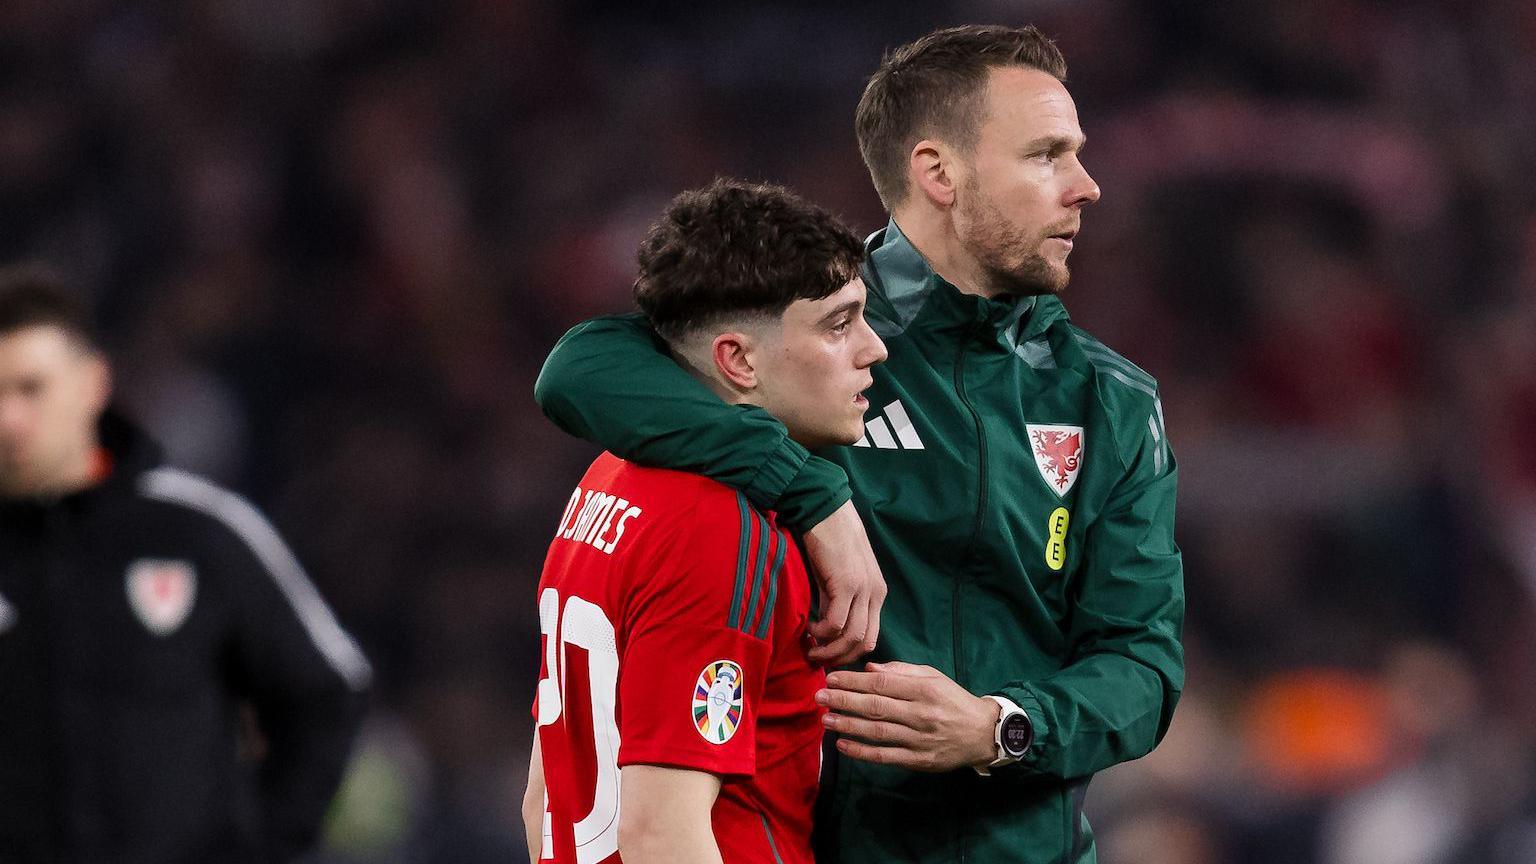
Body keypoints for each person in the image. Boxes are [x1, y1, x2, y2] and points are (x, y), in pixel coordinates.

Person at [533, 24, 1184, 864]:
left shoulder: (1110, 402)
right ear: (937, 173)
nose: (1087, 187)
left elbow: (1143, 661)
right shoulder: (812, 334)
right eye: (1047, 156)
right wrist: (814, 490)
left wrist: (1003, 726)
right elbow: (581, 367)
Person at [521, 179, 887, 864]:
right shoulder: (721, 525)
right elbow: (663, 832)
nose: (875, 349)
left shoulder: (608, 477)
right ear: (738, 360)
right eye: (839, 325)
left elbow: (544, 796)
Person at [0, 268, 371, 864]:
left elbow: (326, 691)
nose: (9, 420)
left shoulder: (201, 533)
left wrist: (265, 846)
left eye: (30, 388)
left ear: (92, 383)